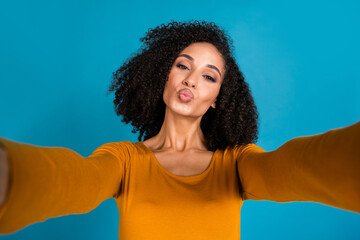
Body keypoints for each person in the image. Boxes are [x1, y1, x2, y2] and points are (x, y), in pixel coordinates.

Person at [0, 20, 359, 240]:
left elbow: (294, 168)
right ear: (163, 75)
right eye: (182, 65)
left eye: (208, 76)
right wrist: (11, 173)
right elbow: (72, 179)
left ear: (219, 97)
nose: (190, 78)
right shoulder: (125, 161)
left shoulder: (235, 164)